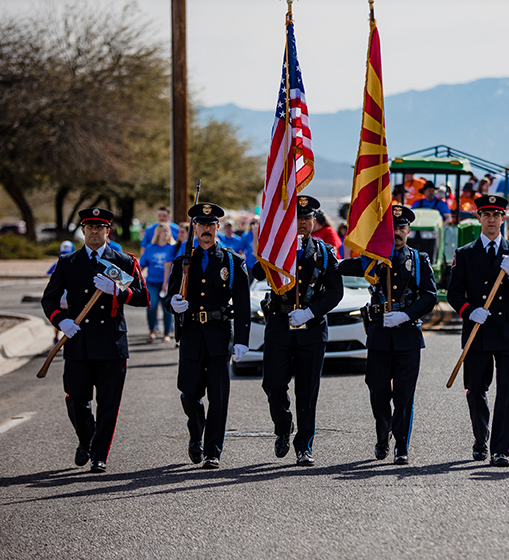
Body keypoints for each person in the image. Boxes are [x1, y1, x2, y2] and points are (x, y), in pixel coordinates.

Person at [41, 207, 148, 473]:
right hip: (79, 342)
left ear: (107, 231)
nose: (94, 231)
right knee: (76, 399)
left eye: (100, 227)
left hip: (111, 343)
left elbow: (142, 298)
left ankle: (99, 455)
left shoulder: (122, 261)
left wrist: (118, 291)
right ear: (83, 230)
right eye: (89, 227)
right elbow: (49, 299)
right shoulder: (69, 262)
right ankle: (85, 439)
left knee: (108, 403)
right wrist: (61, 320)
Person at [338, 205, 437, 464]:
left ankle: (401, 445)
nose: (398, 233)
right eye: (393, 229)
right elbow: (340, 268)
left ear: (409, 230)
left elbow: (430, 296)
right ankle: (383, 435)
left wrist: (407, 314)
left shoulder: (418, 259)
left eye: (402, 228)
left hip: (407, 335)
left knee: (404, 394)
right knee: (378, 389)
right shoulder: (372, 259)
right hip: (380, 335)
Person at [250, 195, 343, 466]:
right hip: (279, 323)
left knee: (307, 390)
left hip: (312, 327)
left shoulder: (325, 252)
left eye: (306, 219)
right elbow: (256, 273)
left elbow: (336, 291)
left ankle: (304, 445)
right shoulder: (277, 249)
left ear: (314, 221)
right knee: (273, 383)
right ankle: (283, 426)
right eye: (296, 219)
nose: (301, 223)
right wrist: (270, 247)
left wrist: (311, 311)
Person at [447, 195, 509, 467]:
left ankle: (500, 449)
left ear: (503, 218)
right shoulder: (464, 253)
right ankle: (480, 437)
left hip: (507, 331)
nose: (492, 220)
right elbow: (453, 293)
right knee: (475, 390)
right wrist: (469, 310)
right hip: (478, 331)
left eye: (497, 215)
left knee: (506, 393)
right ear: (479, 218)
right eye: (486, 214)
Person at [165, 203, 251, 469]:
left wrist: (242, 340)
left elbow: (243, 302)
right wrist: (173, 303)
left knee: (219, 397)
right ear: (194, 228)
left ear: (217, 228)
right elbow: (169, 295)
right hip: (191, 335)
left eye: (210, 224)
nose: (206, 229)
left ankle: (213, 450)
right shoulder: (182, 262)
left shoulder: (232, 262)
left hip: (218, 335)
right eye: (201, 224)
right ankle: (196, 435)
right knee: (190, 394)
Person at [139, 222, 176, 343]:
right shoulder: (150, 248)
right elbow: (142, 265)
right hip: (152, 282)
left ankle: (166, 333)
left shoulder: (172, 247)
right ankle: (152, 330)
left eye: (167, 231)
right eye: (163, 231)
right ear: (158, 233)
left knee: (167, 309)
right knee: (152, 305)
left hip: (168, 283)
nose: (165, 233)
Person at [47, 241, 75, 344]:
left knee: (64, 318)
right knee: (64, 318)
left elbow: (47, 274)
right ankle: (60, 338)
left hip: (65, 298)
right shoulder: (64, 263)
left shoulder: (59, 262)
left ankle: (58, 338)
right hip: (64, 298)